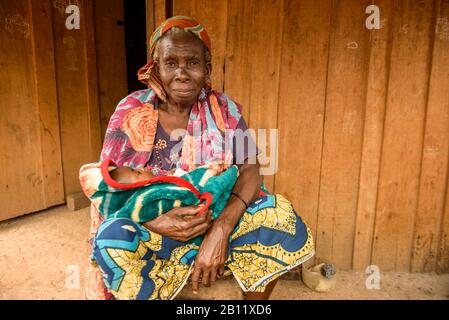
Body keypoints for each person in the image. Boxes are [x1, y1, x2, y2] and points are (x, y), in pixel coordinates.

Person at [80, 16, 314, 300]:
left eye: (192, 63)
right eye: (170, 63)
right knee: (111, 236)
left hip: (213, 220)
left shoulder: (224, 110)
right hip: (154, 226)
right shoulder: (131, 110)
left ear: (207, 69)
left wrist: (221, 228)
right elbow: (107, 184)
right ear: (156, 68)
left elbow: (251, 168)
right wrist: (152, 220)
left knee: (278, 216)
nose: (181, 73)